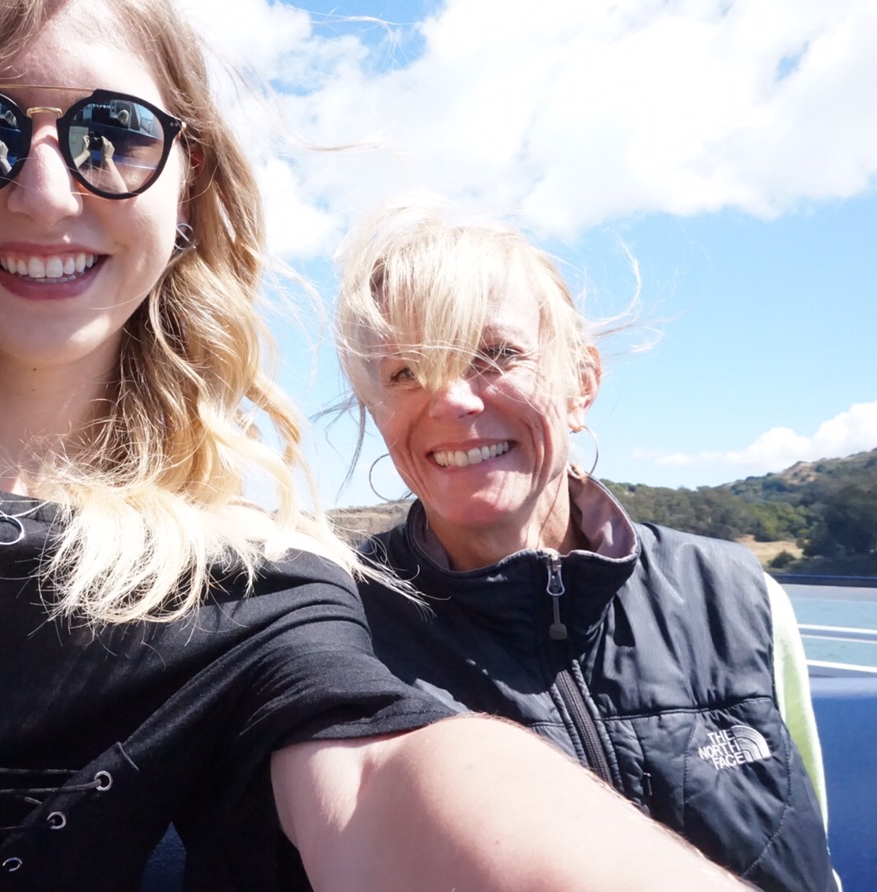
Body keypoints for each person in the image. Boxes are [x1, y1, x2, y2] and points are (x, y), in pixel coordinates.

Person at [0, 1, 751, 890]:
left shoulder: (241, 582)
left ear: (189, 187)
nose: (44, 190)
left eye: (112, 132)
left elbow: (379, 775)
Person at [334, 198, 839, 892]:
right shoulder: (339, 630)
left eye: (495, 354)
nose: (451, 400)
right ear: (378, 411)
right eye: (405, 372)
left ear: (582, 382)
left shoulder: (736, 598)